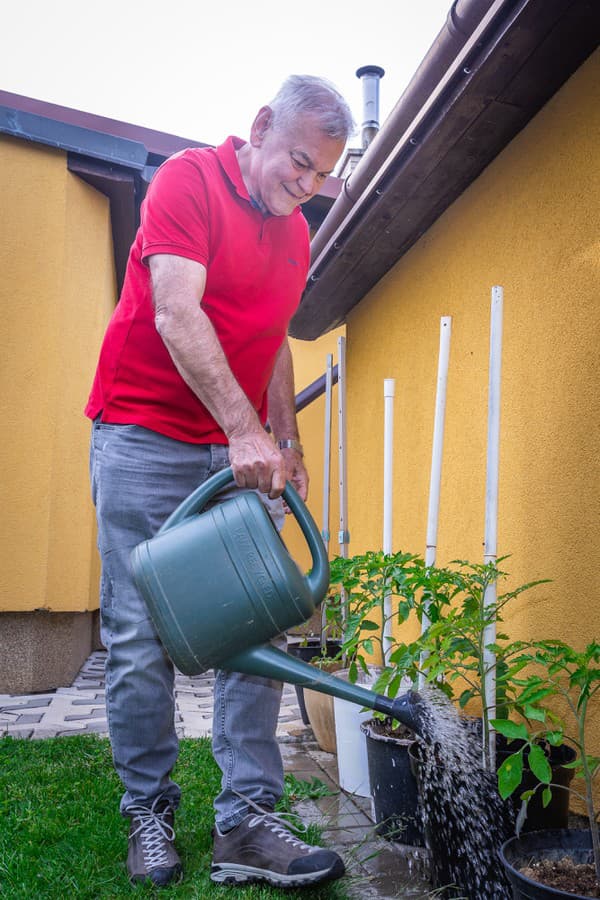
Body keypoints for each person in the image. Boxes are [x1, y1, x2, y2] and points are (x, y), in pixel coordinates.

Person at [86, 74, 354, 889]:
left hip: (237, 445)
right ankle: (148, 809)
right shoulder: (188, 181)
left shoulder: (296, 233)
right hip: (143, 436)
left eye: (319, 178)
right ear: (262, 126)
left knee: (256, 627)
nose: (305, 187)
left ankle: (245, 822)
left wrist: (286, 435)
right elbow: (177, 311)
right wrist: (242, 430)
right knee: (140, 638)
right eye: (298, 165)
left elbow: (271, 338)